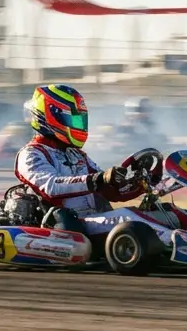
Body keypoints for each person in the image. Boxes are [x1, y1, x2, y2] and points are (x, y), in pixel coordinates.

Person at [13, 84, 160, 234]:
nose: (79, 126)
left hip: (94, 220)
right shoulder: (31, 154)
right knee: (131, 219)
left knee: (159, 214)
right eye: (74, 121)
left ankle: (177, 238)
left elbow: (111, 191)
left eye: (80, 121)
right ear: (51, 117)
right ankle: (176, 245)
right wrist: (96, 180)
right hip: (67, 224)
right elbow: (51, 187)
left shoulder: (76, 154)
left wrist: (139, 182)